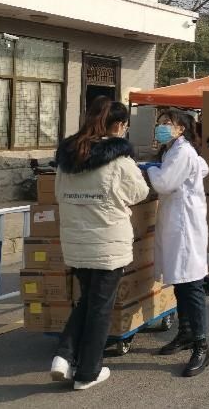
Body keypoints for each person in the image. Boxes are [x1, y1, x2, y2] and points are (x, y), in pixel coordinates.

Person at [51, 97, 150, 390]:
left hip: (76, 243)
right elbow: (140, 192)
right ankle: (87, 373)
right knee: (100, 308)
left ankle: (64, 355)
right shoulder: (120, 161)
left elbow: (57, 194)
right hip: (108, 244)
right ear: (118, 126)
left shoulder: (67, 159)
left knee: (89, 300)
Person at [147, 109, 209, 377]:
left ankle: (202, 346)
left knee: (191, 285)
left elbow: (164, 183)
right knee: (181, 283)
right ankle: (185, 333)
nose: (161, 127)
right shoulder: (174, 151)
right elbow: (203, 167)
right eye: (160, 122)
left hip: (185, 228)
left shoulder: (182, 152)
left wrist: (149, 168)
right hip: (176, 224)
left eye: (167, 123)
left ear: (181, 129)